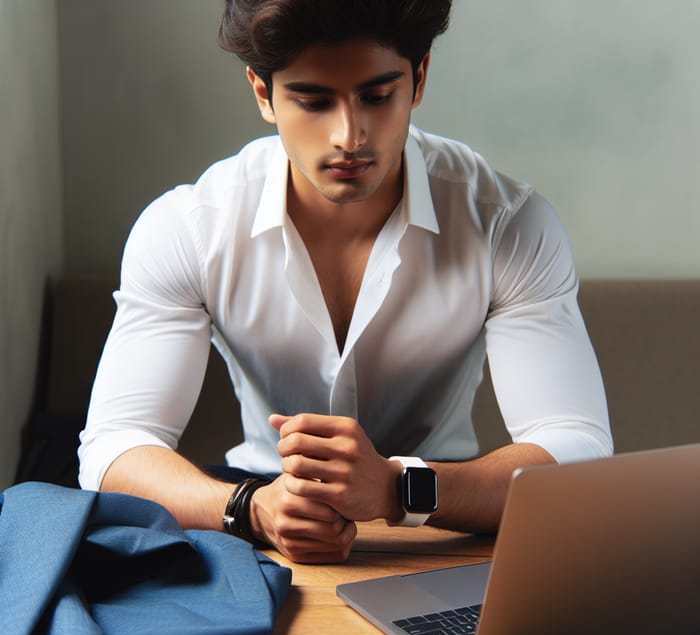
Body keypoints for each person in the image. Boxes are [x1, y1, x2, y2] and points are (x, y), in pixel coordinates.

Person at [78, 0, 612, 563]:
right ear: (263, 93)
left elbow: (577, 449)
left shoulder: (506, 223)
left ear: (419, 77)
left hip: (450, 524)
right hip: (258, 523)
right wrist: (251, 506)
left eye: (378, 96)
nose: (349, 135)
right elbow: (114, 447)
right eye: (313, 101)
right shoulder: (191, 227)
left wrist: (394, 487)